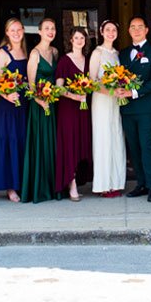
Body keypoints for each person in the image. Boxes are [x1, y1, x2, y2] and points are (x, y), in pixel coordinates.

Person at [120, 16, 151, 201]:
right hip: (127, 109)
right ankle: (141, 184)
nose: (137, 30)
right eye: (133, 27)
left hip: (146, 108)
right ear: (129, 30)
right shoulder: (122, 54)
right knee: (134, 147)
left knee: (147, 146)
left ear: (147, 30)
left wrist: (134, 92)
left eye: (140, 27)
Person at [21, 17, 59, 203]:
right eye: (47, 28)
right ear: (39, 32)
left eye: (53, 28)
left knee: (53, 144)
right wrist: (40, 101)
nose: (50, 31)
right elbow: (30, 85)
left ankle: (53, 186)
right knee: (41, 144)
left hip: (53, 103)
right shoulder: (34, 54)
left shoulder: (55, 52)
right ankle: (39, 188)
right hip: (39, 106)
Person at [0, 17, 29, 202]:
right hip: (8, 106)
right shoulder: (2, 54)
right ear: (7, 32)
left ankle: (23, 182)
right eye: (12, 30)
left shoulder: (26, 51)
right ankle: (10, 187)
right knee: (10, 142)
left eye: (19, 30)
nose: (16, 33)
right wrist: (8, 95)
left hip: (25, 105)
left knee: (23, 142)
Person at [89, 19, 127, 197]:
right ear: (102, 32)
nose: (111, 33)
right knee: (103, 138)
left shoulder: (117, 54)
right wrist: (109, 91)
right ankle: (103, 184)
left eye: (114, 30)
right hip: (102, 100)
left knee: (116, 136)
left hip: (115, 101)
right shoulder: (97, 53)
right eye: (108, 30)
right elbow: (92, 82)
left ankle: (116, 182)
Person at [55, 26, 93, 200]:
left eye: (82, 38)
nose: (79, 41)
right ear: (70, 40)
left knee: (80, 144)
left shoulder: (88, 60)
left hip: (83, 110)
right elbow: (58, 88)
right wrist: (75, 96)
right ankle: (71, 185)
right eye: (76, 38)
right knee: (70, 145)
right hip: (68, 109)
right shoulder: (64, 60)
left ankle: (79, 178)